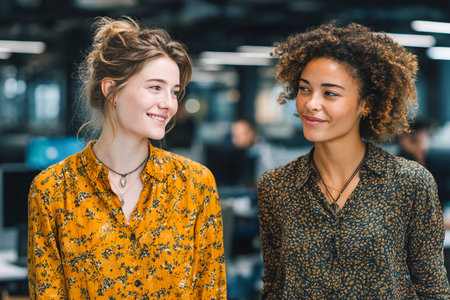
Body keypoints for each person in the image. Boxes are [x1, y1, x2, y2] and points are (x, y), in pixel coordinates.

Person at [28, 17, 226, 299]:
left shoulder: (194, 185)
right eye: (155, 87)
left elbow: (211, 291)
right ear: (111, 90)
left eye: (175, 92)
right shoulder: (52, 190)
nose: (169, 104)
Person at [256, 22, 450, 299]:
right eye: (304, 89)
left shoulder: (410, 183)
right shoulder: (276, 186)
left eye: (330, 93)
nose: (311, 103)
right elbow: (274, 286)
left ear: (366, 104)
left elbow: (432, 289)